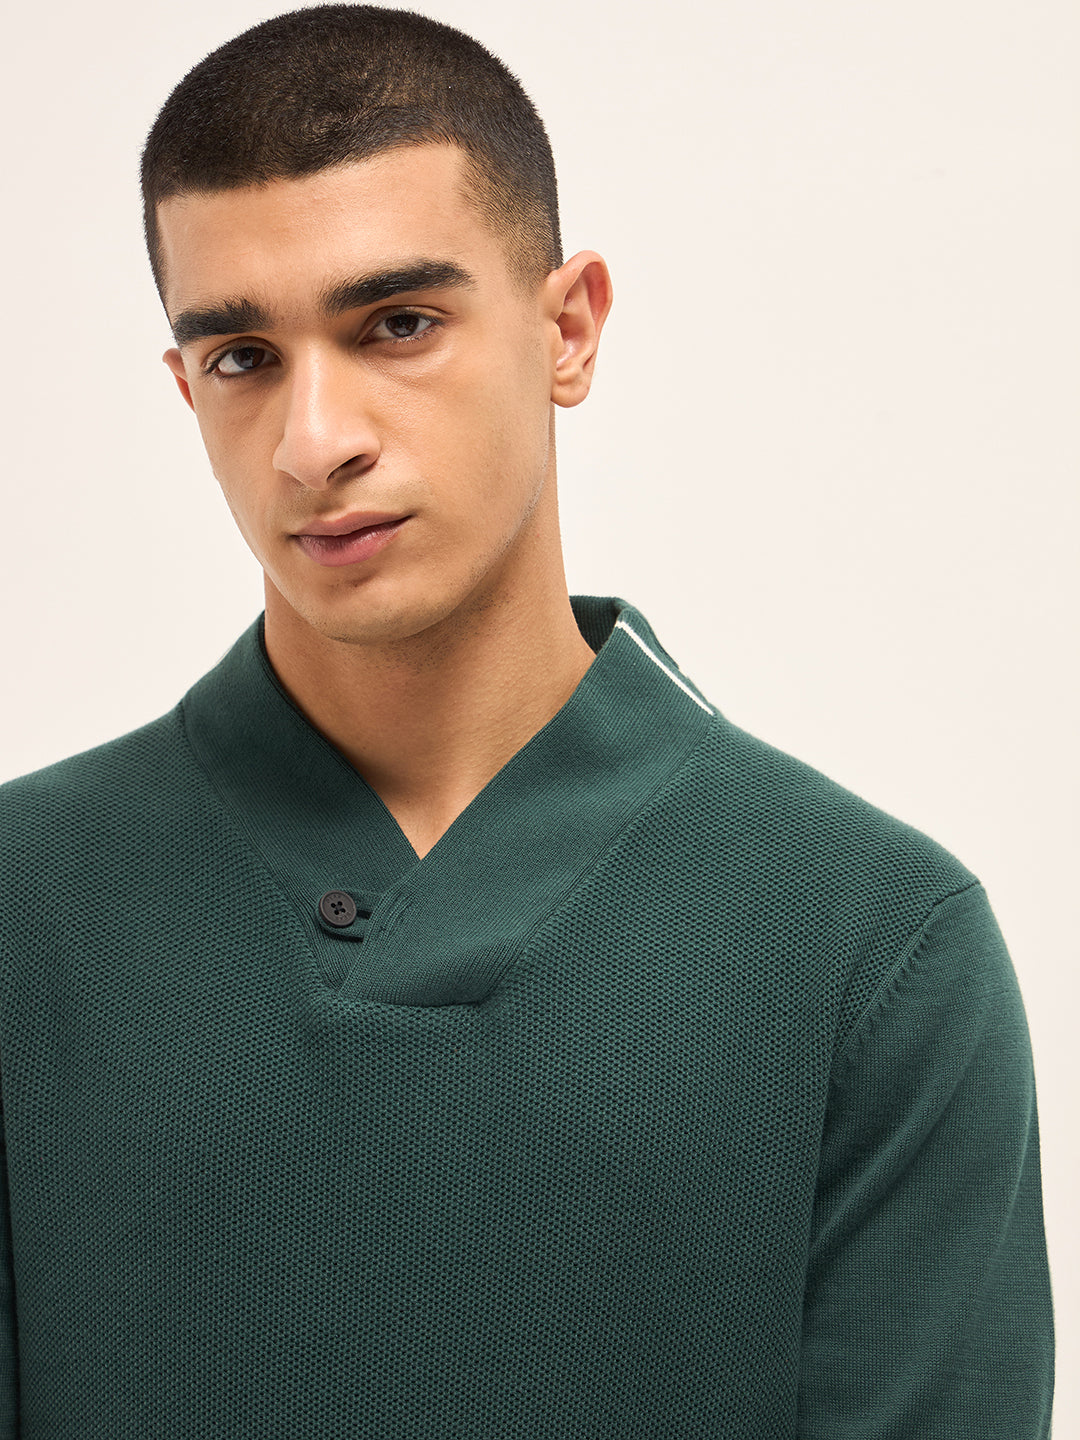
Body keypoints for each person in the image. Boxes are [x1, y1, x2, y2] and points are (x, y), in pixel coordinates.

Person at [0, 4, 1054, 1435]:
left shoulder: (870, 945)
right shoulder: (24, 912)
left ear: (568, 330)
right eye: (244, 356)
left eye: (398, 325)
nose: (315, 442)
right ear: (185, 387)